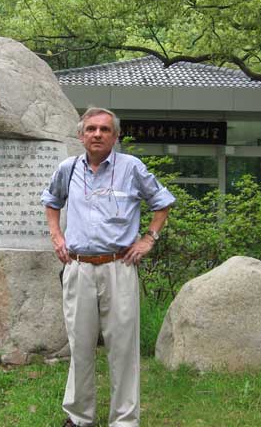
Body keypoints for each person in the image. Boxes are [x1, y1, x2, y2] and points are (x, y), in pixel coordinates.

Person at [41, 108, 175, 427]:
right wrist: (57, 236)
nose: (97, 134)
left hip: (119, 266)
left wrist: (149, 239)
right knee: (80, 344)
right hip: (78, 267)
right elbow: (51, 201)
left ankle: (125, 420)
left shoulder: (132, 168)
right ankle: (79, 416)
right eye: (91, 129)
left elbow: (163, 202)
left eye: (104, 129)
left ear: (116, 136)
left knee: (123, 346)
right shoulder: (68, 168)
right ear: (81, 135)